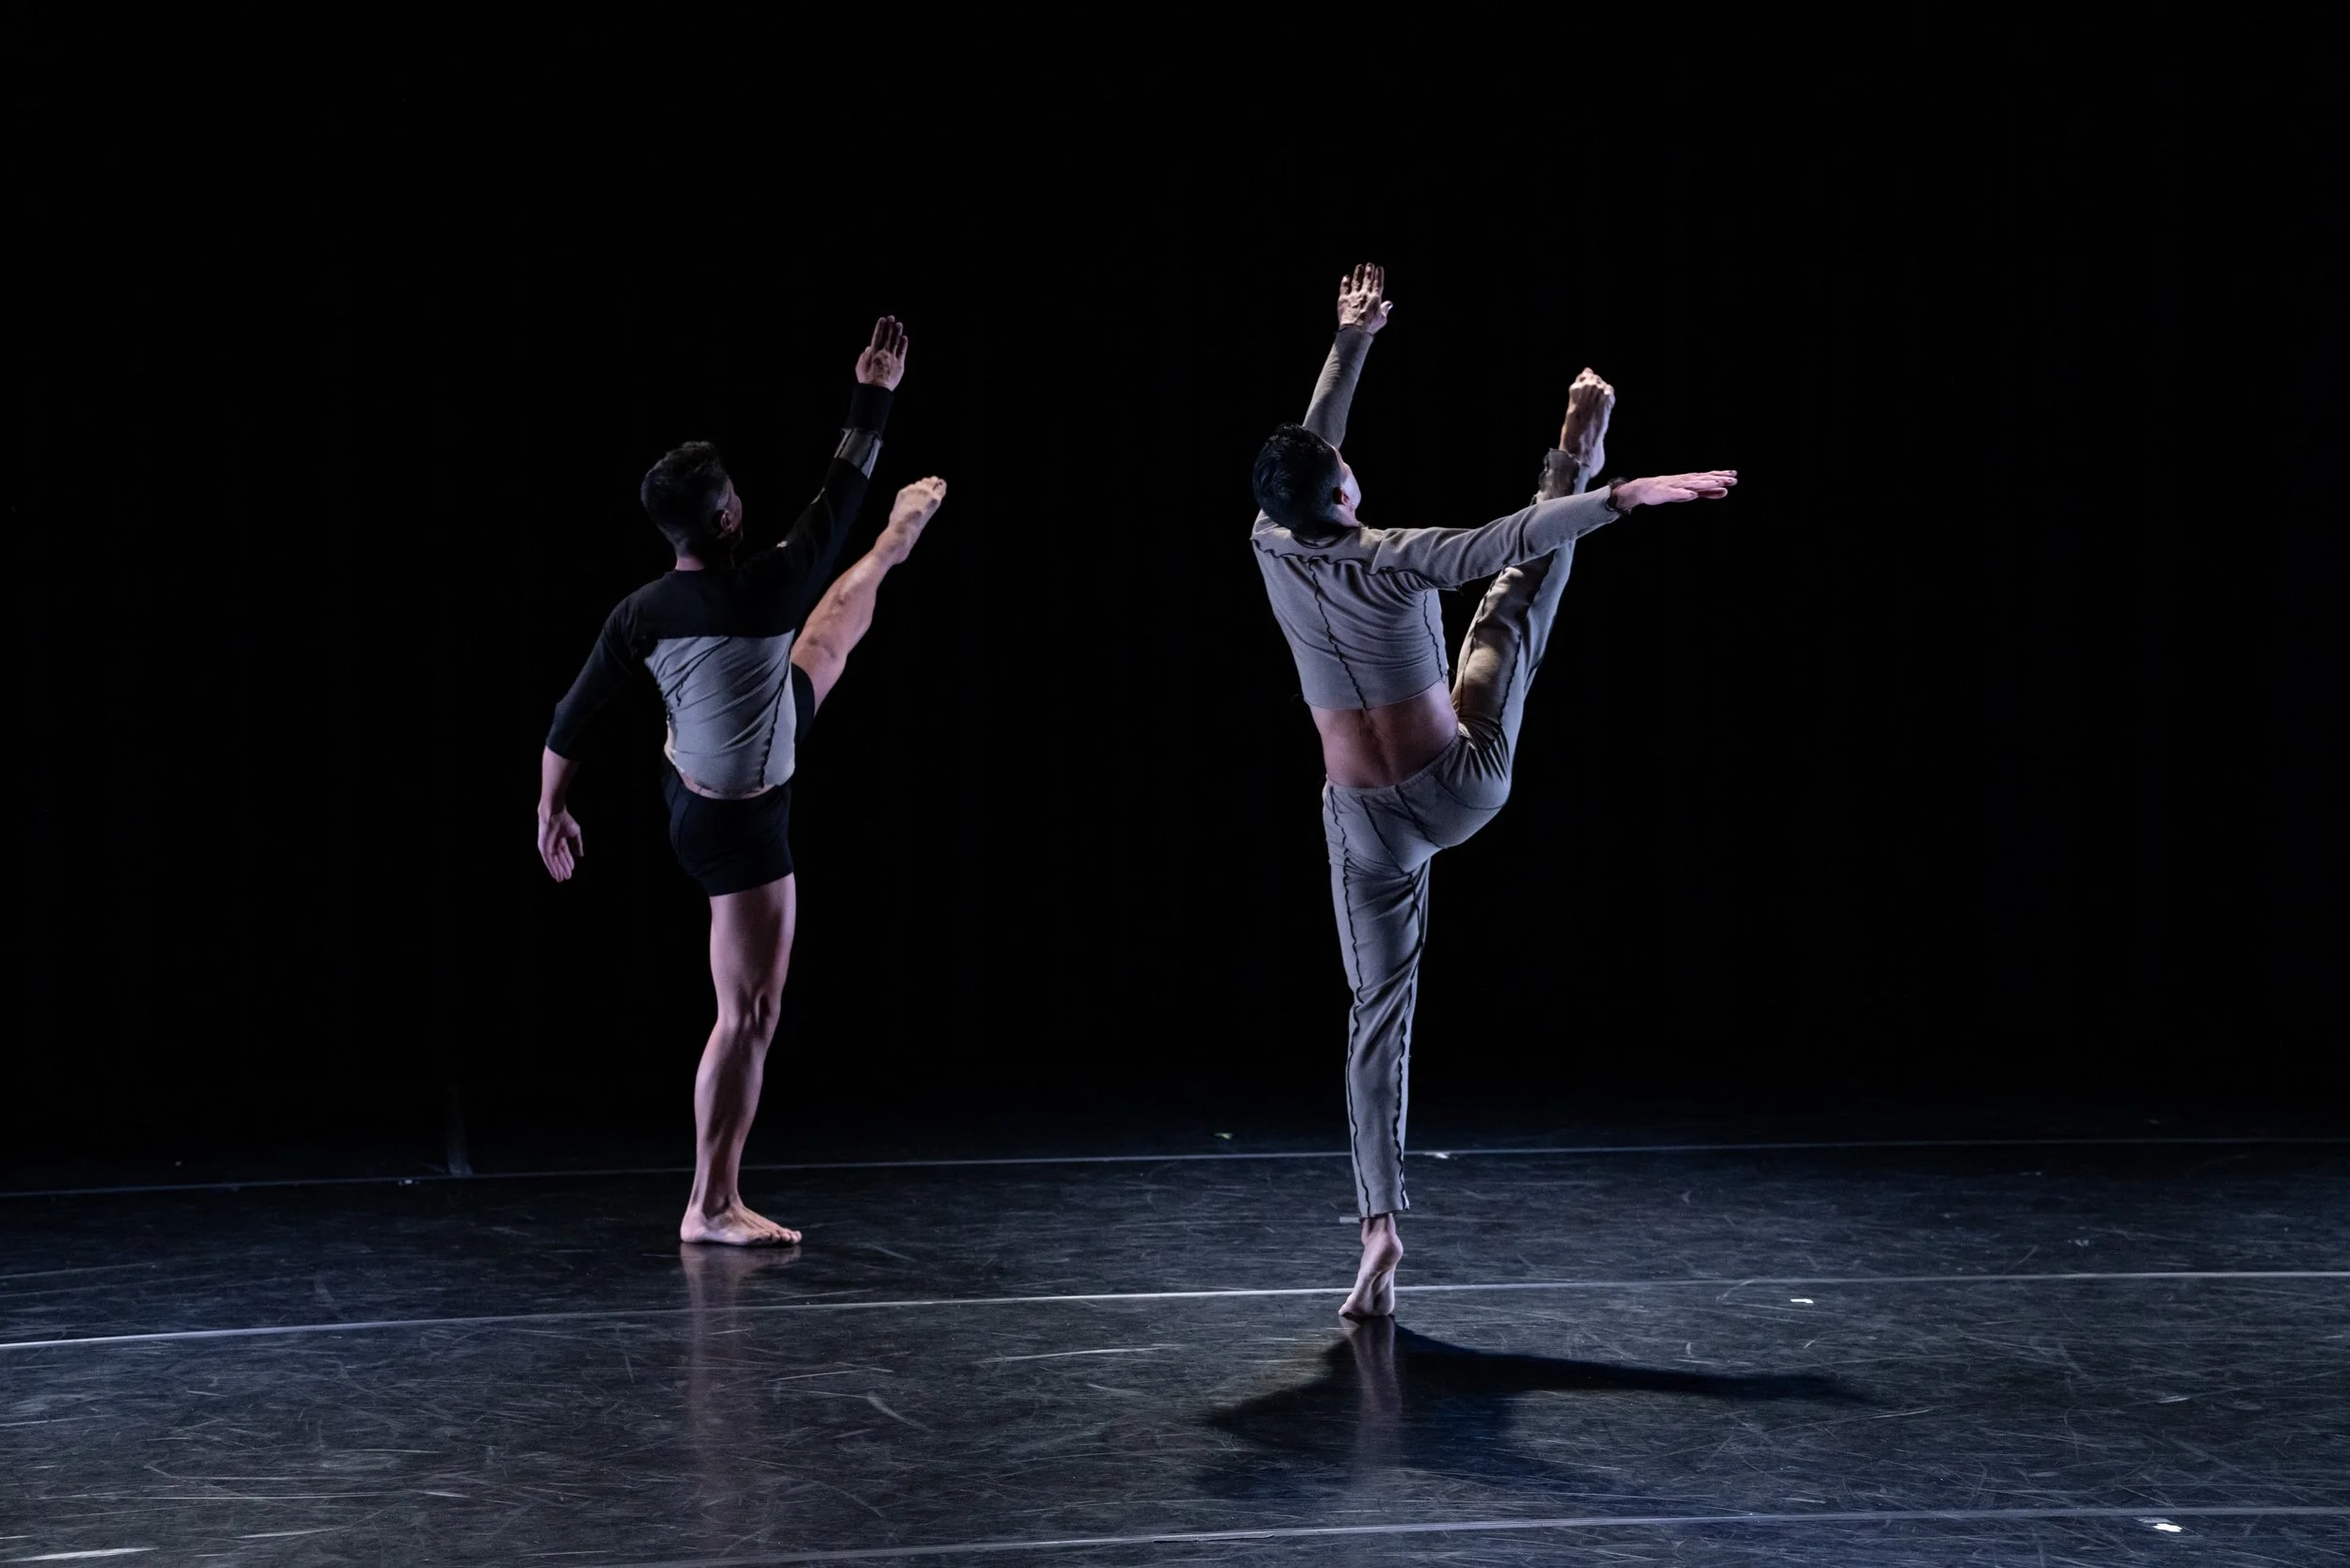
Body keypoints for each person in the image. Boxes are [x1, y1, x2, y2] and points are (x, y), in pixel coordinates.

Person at [1249, 265, 1736, 1317]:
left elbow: (1305, 446)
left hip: (1368, 828)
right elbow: (1505, 542)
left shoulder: (1267, 543)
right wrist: (1612, 494)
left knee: (1375, 1011)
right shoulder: (1394, 556)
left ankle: (1377, 1226)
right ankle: (1578, 446)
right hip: (1460, 783)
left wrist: (1351, 341)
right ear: (1340, 492)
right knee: (1506, 610)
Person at [536, 317, 948, 1246]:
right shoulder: (770, 579)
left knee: (825, 642)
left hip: (701, 781)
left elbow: (569, 720)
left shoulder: (639, 611)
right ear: (726, 517)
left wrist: (548, 809)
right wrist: (873, 391)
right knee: (749, 1012)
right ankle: (710, 1204)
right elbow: (841, 482)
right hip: (739, 824)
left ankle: (891, 550)